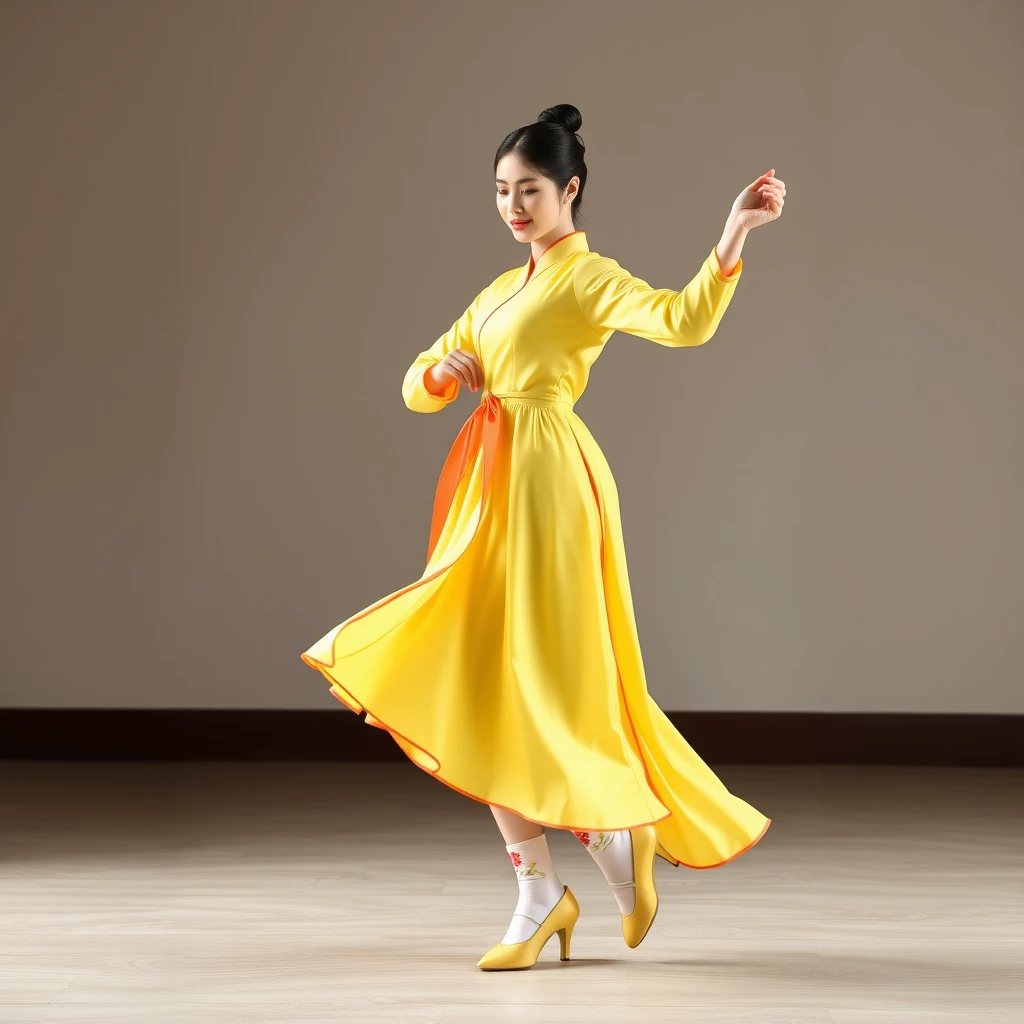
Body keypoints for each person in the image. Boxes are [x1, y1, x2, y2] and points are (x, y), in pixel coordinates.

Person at [301, 103, 786, 971]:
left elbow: (683, 321)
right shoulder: (499, 290)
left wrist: (732, 235)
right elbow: (420, 380)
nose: (513, 206)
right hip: (490, 489)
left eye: (529, 189)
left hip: (552, 484)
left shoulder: (585, 278)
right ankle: (550, 887)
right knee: (482, 682)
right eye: (500, 191)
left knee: (551, 681)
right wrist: (439, 375)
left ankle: (602, 849)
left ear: (569, 190)